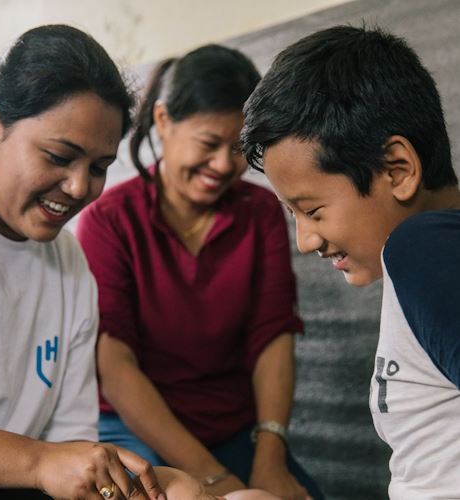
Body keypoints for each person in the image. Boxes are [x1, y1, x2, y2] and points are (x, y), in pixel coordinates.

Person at [0, 23, 206, 500]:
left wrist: (142, 486)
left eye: (98, 168)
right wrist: (37, 462)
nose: (79, 188)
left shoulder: (70, 267)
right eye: (58, 156)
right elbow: (46, 460)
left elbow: (70, 442)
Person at [76, 44, 323, 500]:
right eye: (209, 144)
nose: (225, 166)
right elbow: (115, 365)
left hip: (232, 427)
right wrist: (214, 479)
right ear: (164, 121)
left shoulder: (261, 212)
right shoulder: (108, 221)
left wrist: (269, 459)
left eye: (237, 149)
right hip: (135, 429)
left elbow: (272, 337)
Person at [241, 25, 460, 500]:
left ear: (397, 170)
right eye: (292, 214)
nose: (305, 240)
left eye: (313, 210)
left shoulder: (422, 249)